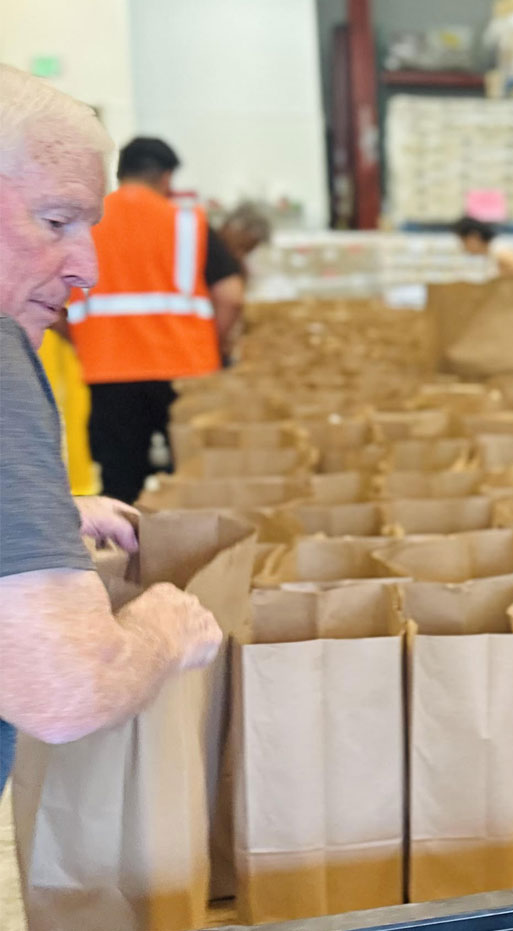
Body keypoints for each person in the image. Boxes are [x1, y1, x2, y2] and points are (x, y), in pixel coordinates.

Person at [0, 64, 225, 789]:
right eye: (55, 221)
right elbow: (67, 691)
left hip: (110, 371)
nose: (86, 269)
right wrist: (164, 629)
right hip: (175, 368)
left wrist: (44, 518)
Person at [65, 137, 224, 503]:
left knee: (120, 481)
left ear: (119, 174)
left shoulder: (85, 224)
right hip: (185, 372)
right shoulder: (187, 222)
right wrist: (218, 342)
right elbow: (229, 293)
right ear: (166, 177)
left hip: (109, 370)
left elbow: (51, 299)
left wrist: (83, 338)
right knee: (194, 479)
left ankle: (124, 556)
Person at [204, 201, 273, 365]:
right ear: (231, 228)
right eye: (241, 246)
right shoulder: (208, 248)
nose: (240, 254)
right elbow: (231, 300)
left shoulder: (234, 265)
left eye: (247, 250)